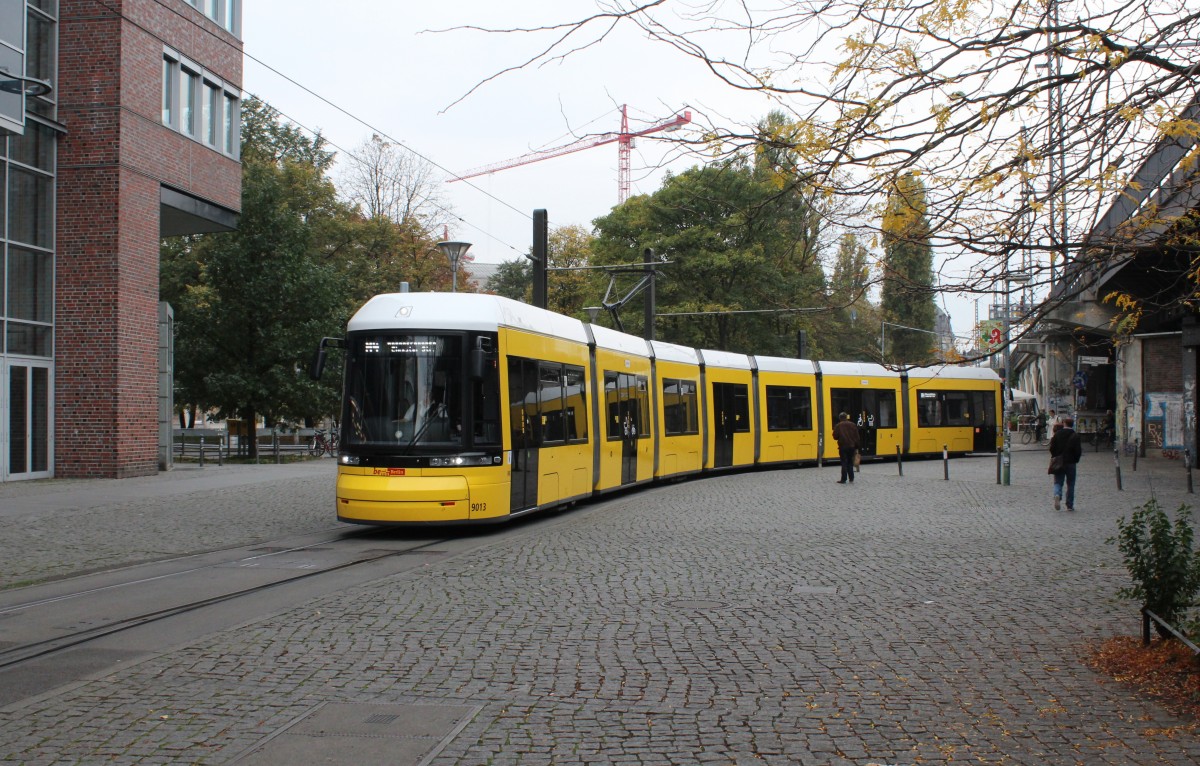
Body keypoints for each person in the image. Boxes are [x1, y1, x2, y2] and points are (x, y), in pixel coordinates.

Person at [1048, 416, 1083, 511]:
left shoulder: (1058, 434)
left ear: (1064, 424)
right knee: (1071, 484)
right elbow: (1078, 451)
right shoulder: (1075, 435)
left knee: (1058, 482)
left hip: (1059, 461)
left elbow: (1051, 448)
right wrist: (1076, 459)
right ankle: (1069, 505)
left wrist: (1055, 456)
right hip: (1071, 462)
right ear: (1073, 425)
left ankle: (1057, 495)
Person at [832, 411, 861, 484]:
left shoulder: (838, 426)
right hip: (851, 446)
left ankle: (843, 479)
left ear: (840, 418)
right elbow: (857, 437)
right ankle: (851, 478)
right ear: (846, 417)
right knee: (850, 462)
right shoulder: (853, 425)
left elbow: (835, 437)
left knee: (844, 462)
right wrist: (857, 446)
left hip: (843, 447)